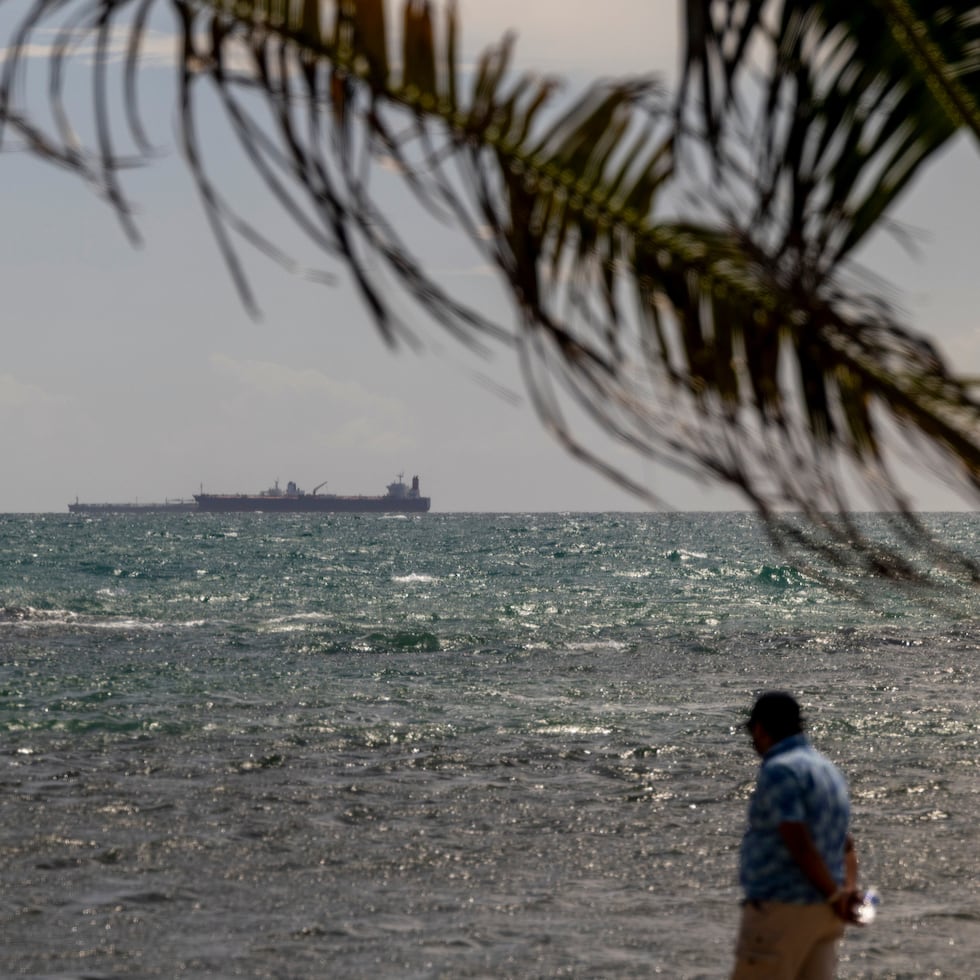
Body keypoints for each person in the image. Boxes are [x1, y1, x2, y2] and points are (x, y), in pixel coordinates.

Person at [731, 691, 862, 980]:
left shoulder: (780, 770)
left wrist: (835, 895)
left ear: (760, 729)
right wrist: (846, 892)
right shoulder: (827, 769)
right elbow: (846, 844)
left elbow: (799, 842)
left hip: (783, 910)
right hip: (825, 914)